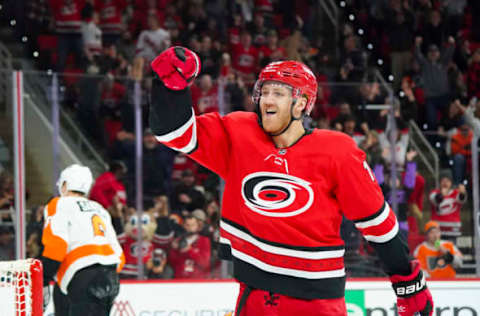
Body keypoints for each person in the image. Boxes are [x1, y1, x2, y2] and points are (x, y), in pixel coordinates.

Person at [149, 47, 433, 316]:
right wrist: (170, 87)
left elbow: (377, 224)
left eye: (278, 93)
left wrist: (408, 283)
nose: (267, 100)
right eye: (264, 92)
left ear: (301, 104)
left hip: (316, 302)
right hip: (255, 297)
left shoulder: (337, 151)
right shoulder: (239, 134)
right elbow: (175, 134)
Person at [40, 164, 125, 315]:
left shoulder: (58, 204)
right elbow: (119, 254)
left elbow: (57, 245)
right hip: (110, 277)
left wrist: (43, 278)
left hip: (82, 276)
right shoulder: (100, 209)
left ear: (65, 184)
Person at [428, 169, 467, 240]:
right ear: (439, 182)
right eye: (443, 181)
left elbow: (461, 199)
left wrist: (462, 193)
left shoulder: (456, 193)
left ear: (451, 182)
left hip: (452, 231)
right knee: (437, 249)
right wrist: (441, 195)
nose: (445, 183)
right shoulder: (434, 193)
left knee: (451, 249)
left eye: (447, 181)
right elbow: (435, 200)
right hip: (437, 232)